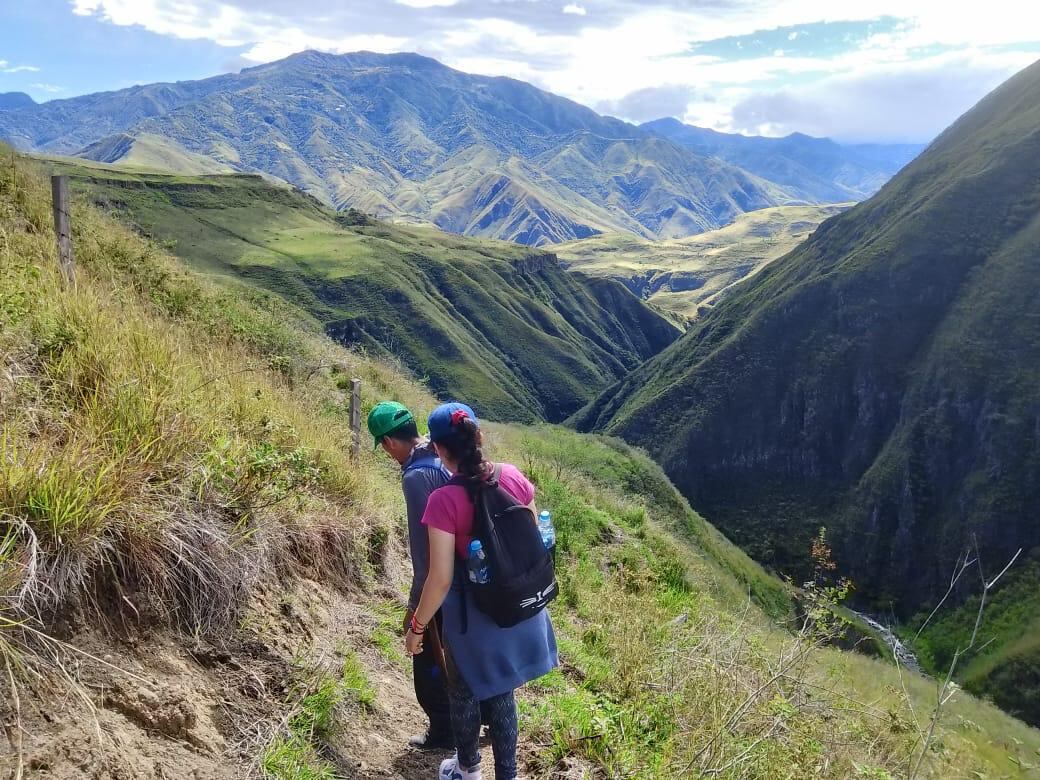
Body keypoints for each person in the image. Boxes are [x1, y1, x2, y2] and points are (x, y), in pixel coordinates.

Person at [405, 402, 558, 780]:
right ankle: (507, 774)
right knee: (503, 691)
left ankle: (467, 769)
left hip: (473, 618)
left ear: (439, 449)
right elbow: (530, 543)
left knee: (462, 692)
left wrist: (417, 627)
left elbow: (440, 578)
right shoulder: (513, 476)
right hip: (518, 606)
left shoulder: (443, 501)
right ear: (479, 437)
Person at [367, 401, 454, 751]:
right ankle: (486, 718)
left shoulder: (416, 477)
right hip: (469, 573)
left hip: (445, 579)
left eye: (385, 447)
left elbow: (425, 554)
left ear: (388, 442)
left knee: (427, 659)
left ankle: (445, 732)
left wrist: (416, 608)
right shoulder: (440, 453)